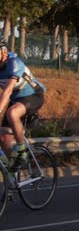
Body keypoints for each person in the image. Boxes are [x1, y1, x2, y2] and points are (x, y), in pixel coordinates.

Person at [0, 38, 46, 172]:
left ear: (4, 52)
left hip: (34, 96)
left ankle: (21, 150)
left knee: (12, 113)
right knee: (3, 137)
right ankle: (11, 175)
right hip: (16, 100)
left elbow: (7, 91)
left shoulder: (14, 63)